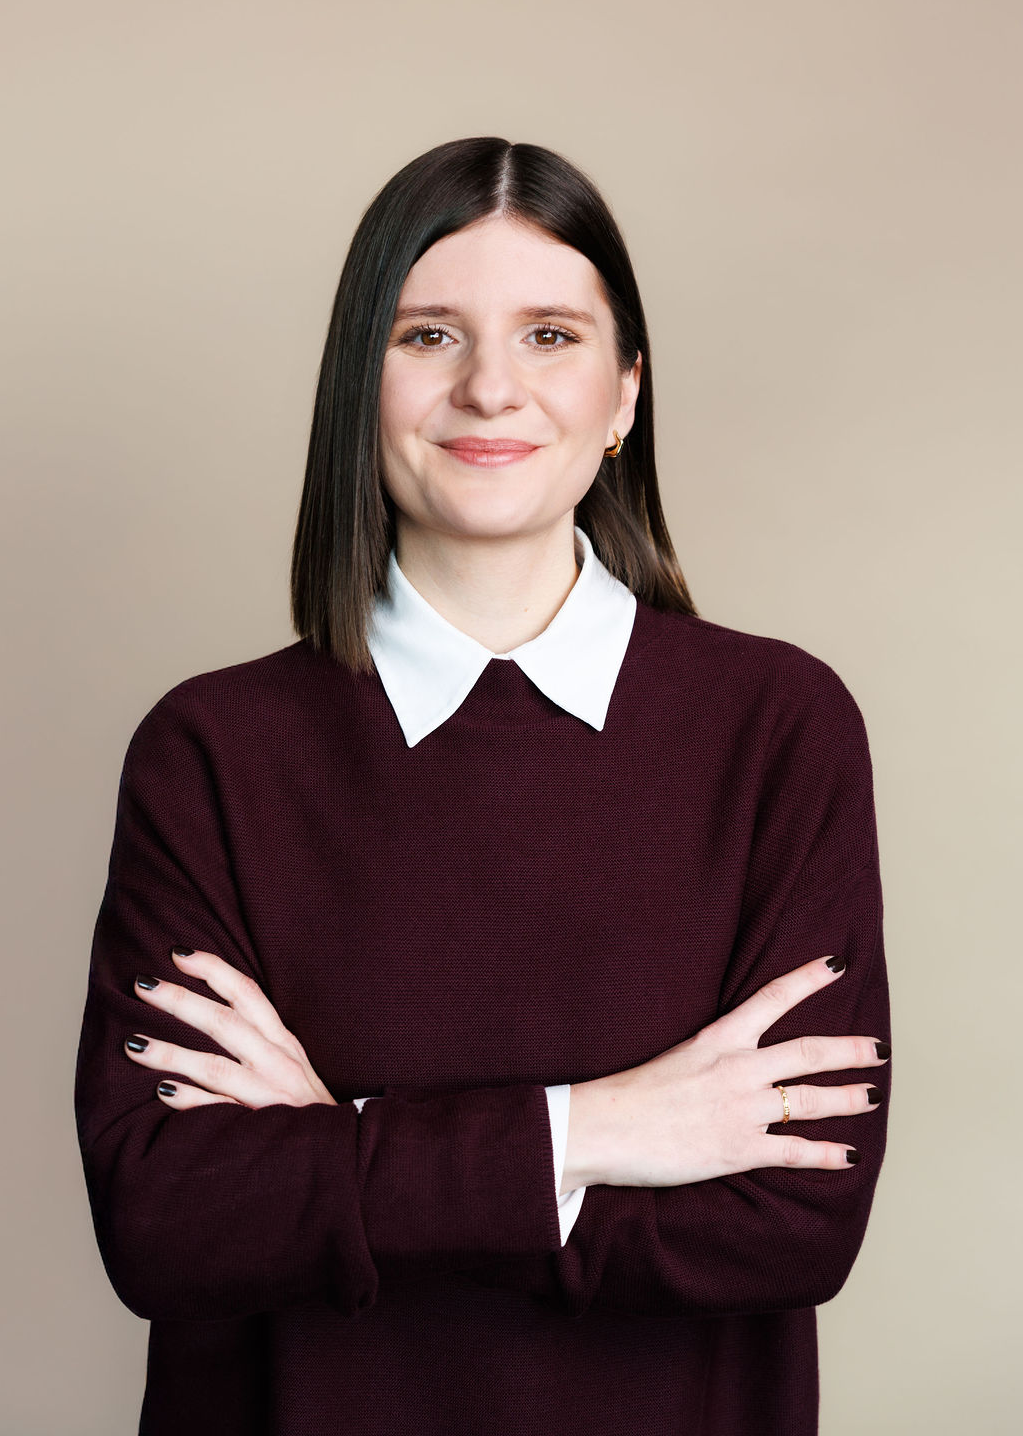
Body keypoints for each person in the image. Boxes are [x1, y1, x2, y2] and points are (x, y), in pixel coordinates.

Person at [73, 136, 892, 1436]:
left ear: (626, 395)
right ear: (361, 382)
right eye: (429, 336)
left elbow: (795, 1221)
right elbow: (167, 1219)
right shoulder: (213, 751)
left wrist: (338, 1151)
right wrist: (594, 1132)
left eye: (551, 336)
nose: (490, 388)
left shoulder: (777, 729)